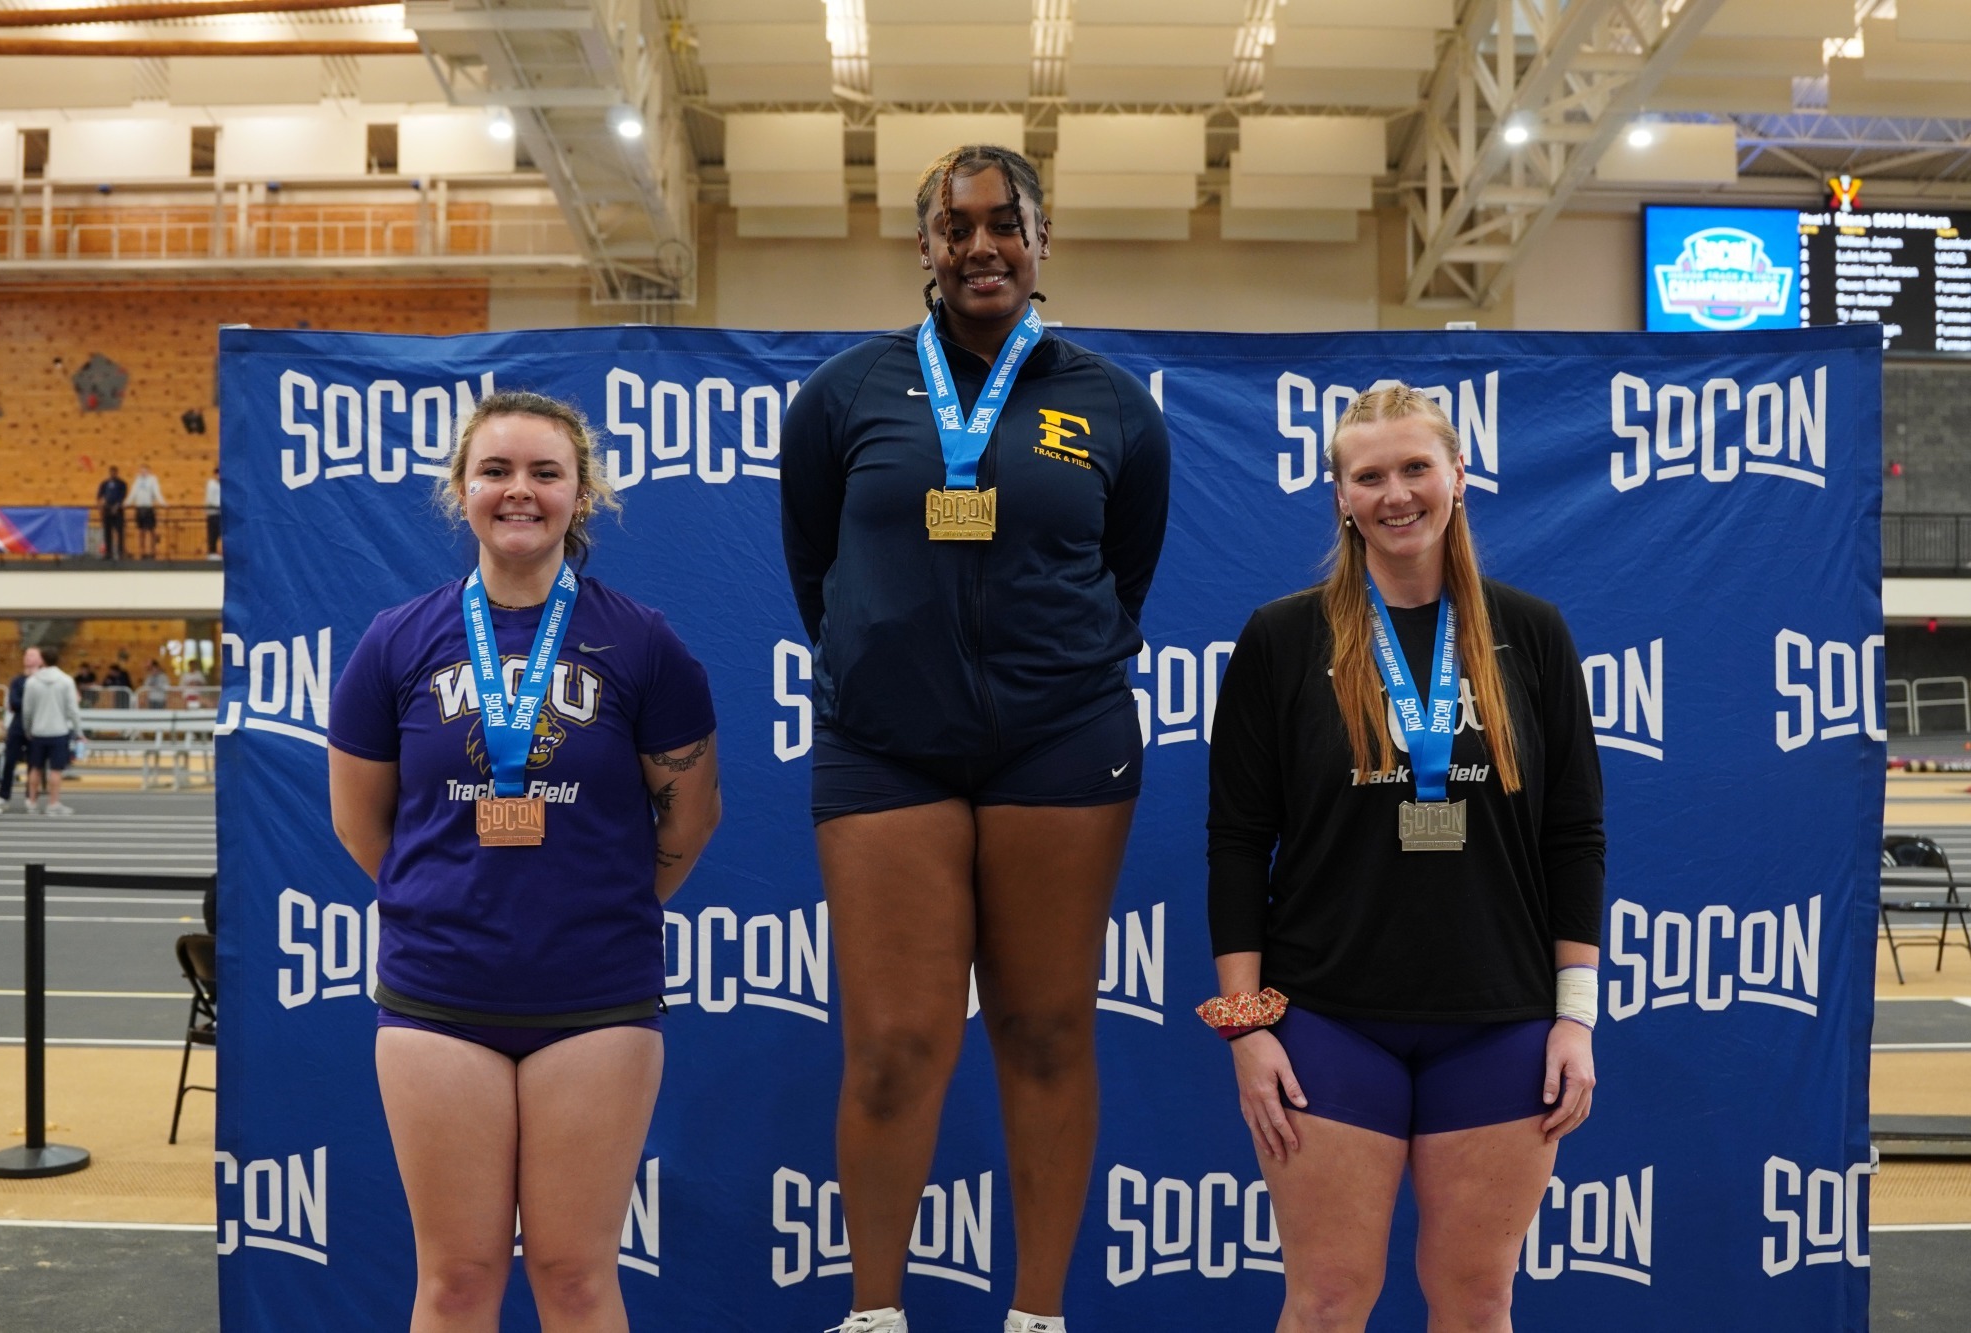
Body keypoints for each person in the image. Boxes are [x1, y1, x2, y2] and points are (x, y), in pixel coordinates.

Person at [781, 145, 1171, 1333]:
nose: (981, 246)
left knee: (1047, 1030)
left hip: (1059, 742)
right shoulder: (843, 396)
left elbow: (1125, 575)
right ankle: (876, 1314)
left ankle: (1037, 1316)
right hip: (885, 749)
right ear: (924, 248)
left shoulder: (1110, 404)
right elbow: (818, 574)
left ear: (1043, 240)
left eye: (1005, 224)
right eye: (955, 227)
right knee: (895, 1042)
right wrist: (890, 670)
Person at [1204, 385, 1603, 1333]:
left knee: (1476, 1301)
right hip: (1329, 1021)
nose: (1396, 493)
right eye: (1369, 474)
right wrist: (1248, 1029)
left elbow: (1575, 836)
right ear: (1340, 495)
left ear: (1458, 479)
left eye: (1416, 467)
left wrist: (1575, 1019)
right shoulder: (1280, 639)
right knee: (1330, 1300)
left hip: (1500, 1020)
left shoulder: (1532, 633)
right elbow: (1234, 840)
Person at [327, 390, 722, 1331]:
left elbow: (689, 821)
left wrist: (596, 902)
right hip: (437, 998)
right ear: (459, 489)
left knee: (576, 1274)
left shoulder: (644, 643)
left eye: (545, 472)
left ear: (581, 495)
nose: (519, 491)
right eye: (495, 470)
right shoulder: (395, 641)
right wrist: (450, 899)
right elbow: (361, 824)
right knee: (457, 1279)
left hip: (596, 998)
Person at [20, 647, 81, 817]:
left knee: (35, 768)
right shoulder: (66, 680)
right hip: (59, 730)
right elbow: (72, 709)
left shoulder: (32, 681)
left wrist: (28, 728)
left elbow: (27, 710)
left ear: (42, 660)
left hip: (38, 730)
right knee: (56, 769)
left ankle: (32, 802)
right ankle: (53, 803)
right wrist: (79, 730)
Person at [0, 645, 39, 813]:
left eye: (32, 655)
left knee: (34, 763)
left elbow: (40, 703)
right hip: (17, 725)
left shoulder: (41, 681)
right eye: (27, 655)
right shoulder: (17, 681)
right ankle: (3, 795)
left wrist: (27, 704)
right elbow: (14, 703)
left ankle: (30, 797)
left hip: (36, 724)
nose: (28, 658)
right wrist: (29, 704)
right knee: (10, 760)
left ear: (40, 659)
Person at [129, 462, 164, 560]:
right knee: (141, 531)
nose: (143, 472)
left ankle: (153, 551)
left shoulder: (153, 480)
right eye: (142, 470)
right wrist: (127, 503)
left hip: (149, 507)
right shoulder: (137, 480)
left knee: (152, 530)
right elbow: (133, 493)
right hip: (140, 507)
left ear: (149, 471)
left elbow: (157, 492)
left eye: (145, 470)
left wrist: (163, 503)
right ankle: (142, 552)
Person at [97, 466, 128, 560]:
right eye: (111, 472)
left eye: (114, 472)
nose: (113, 474)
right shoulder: (104, 483)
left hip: (118, 510)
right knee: (107, 532)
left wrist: (117, 506)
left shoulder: (122, 483)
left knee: (120, 532)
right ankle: (108, 553)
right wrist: (101, 506)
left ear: (117, 472)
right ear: (109, 472)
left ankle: (120, 552)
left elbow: (122, 496)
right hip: (107, 509)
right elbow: (99, 496)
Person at [204, 467, 222, 559]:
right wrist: (218, 505)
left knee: (221, 533)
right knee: (213, 533)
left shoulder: (222, 485)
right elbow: (210, 498)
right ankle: (212, 552)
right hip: (213, 512)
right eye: (218, 474)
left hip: (220, 513)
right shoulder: (211, 484)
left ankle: (219, 552)